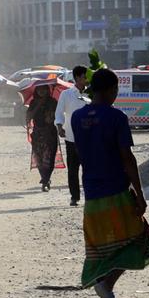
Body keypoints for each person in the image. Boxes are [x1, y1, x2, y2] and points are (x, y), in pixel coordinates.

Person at [71, 68, 149, 298]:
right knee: (139, 238)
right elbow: (127, 158)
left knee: (104, 249)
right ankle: (105, 286)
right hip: (116, 191)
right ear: (109, 90)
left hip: (92, 194)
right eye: (116, 89)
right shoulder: (116, 118)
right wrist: (139, 194)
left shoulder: (76, 117)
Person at [55, 66, 91, 206]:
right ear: (77, 78)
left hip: (90, 138)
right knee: (73, 169)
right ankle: (74, 196)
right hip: (71, 137)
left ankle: (89, 195)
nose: (87, 79)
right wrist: (59, 126)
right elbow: (59, 113)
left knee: (89, 169)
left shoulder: (92, 94)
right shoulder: (66, 94)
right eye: (84, 77)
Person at [26, 84, 59, 192]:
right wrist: (38, 105)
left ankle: (46, 179)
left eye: (44, 89)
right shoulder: (33, 102)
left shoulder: (53, 102)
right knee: (39, 158)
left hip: (50, 133)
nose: (42, 91)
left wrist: (50, 114)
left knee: (50, 158)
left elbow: (56, 116)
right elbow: (29, 116)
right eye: (39, 89)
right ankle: (45, 179)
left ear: (47, 90)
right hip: (37, 134)